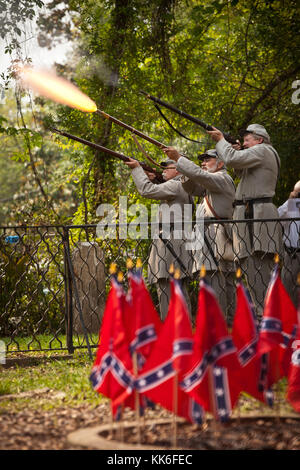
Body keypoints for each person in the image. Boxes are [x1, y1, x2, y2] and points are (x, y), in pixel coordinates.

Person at [207, 123, 282, 317]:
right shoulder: (259, 153)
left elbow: (231, 160)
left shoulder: (263, 150)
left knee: (259, 271)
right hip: (251, 217)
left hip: (256, 217)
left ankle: (267, 319)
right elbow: (240, 168)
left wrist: (221, 141)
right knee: (253, 271)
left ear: (260, 140)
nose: (245, 142)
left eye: (248, 139)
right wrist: (234, 149)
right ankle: (264, 318)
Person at [163, 147, 236, 326]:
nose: (203, 163)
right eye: (202, 160)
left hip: (215, 236)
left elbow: (201, 177)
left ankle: (219, 326)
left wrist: (180, 159)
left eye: (208, 159)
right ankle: (222, 326)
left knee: (216, 281)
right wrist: (183, 169)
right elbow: (191, 187)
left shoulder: (221, 178)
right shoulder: (211, 183)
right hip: (206, 237)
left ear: (221, 163)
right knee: (212, 280)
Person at [123, 157, 194, 320]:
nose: (162, 170)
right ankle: (182, 329)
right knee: (175, 287)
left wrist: (136, 169)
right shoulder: (180, 185)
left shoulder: (175, 185)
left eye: (167, 168)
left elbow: (147, 191)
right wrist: (155, 180)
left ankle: (172, 332)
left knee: (166, 285)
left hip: (170, 240)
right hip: (172, 238)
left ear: (178, 170)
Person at [278, 180, 300, 308]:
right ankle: (289, 319)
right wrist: (291, 202)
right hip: (292, 253)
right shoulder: (291, 207)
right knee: (287, 288)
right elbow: (277, 215)